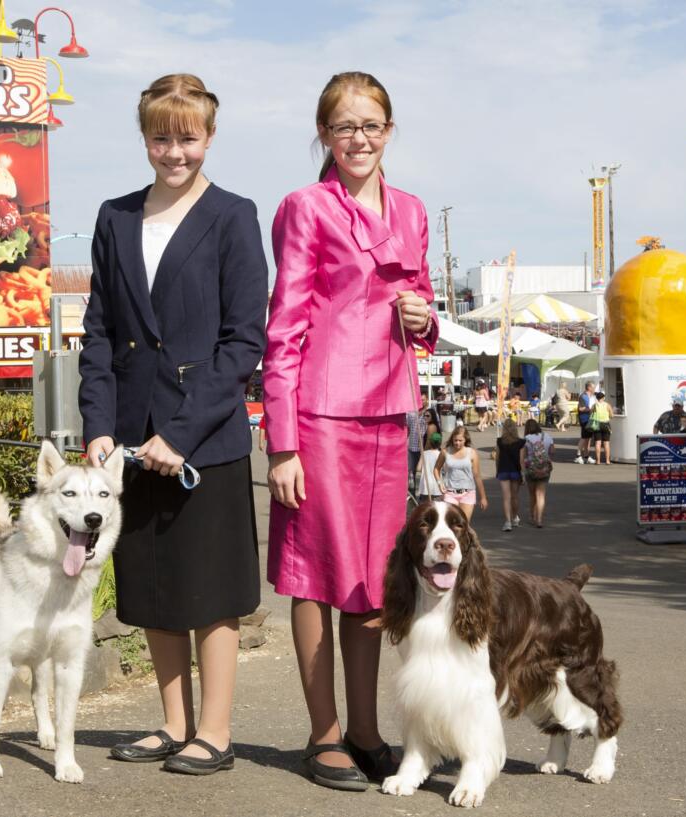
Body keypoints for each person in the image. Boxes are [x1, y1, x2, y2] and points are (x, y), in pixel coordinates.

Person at [78, 74, 267, 775]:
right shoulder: (115, 216)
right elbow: (98, 331)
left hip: (203, 436)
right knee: (154, 580)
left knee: (210, 586)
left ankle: (214, 731)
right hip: (129, 434)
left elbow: (243, 341)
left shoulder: (233, 216)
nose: (174, 150)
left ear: (209, 137)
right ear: (145, 137)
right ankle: (172, 722)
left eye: (188, 137)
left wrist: (181, 432)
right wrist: (99, 424)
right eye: (162, 136)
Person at [262, 71, 438, 792]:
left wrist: (425, 317)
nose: (359, 137)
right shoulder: (304, 208)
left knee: (373, 580)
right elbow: (284, 327)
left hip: (387, 411)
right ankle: (324, 733)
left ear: (389, 131)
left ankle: (366, 731)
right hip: (321, 411)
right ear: (324, 137)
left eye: (371, 125)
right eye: (344, 126)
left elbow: (421, 297)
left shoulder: (414, 209)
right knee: (315, 574)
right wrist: (282, 442)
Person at [434, 425, 488, 520]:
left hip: (468, 493)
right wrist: (439, 483)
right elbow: (436, 469)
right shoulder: (445, 452)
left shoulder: (472, 453)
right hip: (450, 493)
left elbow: (477, 476)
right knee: (451, 524)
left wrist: (483, 497)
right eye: (455, 440)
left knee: (464, 525)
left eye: (460, 440)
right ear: (452, 439)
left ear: (465, 440)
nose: (457, 443)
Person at [519, 418, 555, 527]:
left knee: (532, 495)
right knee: (541, 495)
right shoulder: (548, 437)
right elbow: (553, 451)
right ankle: (539, 519)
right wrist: (546, 457)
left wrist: (522, 472)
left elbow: (522, 457)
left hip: (531, 469)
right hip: (544, 469)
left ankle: (532, 516)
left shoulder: (526, 439)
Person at [492, 417, 525, 531]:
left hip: (503, 470)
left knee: (506, 497)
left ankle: (507, 522)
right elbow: (521, 460)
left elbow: (497, 458)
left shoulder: (499, 441)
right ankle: (515, 517)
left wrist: (497, 470)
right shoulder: (521, 442)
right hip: (516, 471)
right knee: (515, 496)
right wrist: (523, 474)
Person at [417, 431, 445, 502]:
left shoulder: (424, 453)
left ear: (429, 442)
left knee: (425, 509)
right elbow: (445, 469)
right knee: (436, 508)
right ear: (440, 443)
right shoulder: (441, 454)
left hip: (425, 485)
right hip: (437, 485)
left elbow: (418, 468)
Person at [405, 398, 425, 494]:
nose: (422, 401)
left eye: (424, 400)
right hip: (412, 445)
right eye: (421, 400)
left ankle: (421, 489)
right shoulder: (410, 413)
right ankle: (413, 490)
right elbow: (406, 426)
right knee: (412, 468)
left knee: (422, 469)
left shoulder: (428, 413)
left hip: (423, 447)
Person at [576, 381, 597, 463]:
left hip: (590, 418)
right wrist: (591, 409)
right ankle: (578, 455)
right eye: (593, 387)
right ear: (589, 387)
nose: (594, 389)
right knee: (584, 437)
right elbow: (581, 408)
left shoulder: (591, 396)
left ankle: (586, 456)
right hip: (584, 419)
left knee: (588, 438)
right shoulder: (583, 396)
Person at [590, 391, 614, 465]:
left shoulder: (594, 405)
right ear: (603, 398)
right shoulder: (607, 405)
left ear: (597, 398)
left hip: (597, 424)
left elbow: (591, 415)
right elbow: (612, 415)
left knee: (598, 442)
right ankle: (607, 461)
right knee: (606, 443)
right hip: (606, 424)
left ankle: (598, 461)